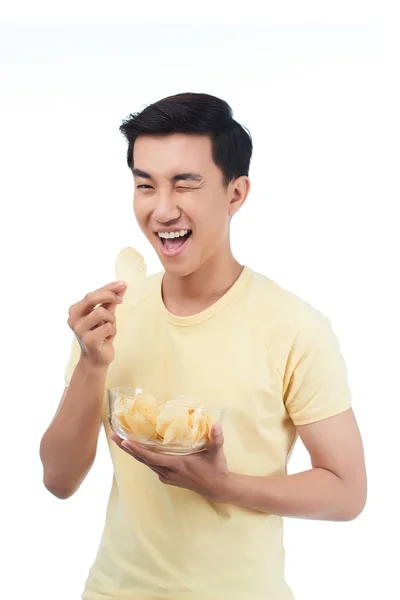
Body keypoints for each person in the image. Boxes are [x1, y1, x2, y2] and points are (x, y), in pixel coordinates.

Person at [39, 92, 367, 600]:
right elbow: (58, 480)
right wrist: (90, 363)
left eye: (184, 184)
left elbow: (347, 491)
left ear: (236, 193)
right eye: (145, 185)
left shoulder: (294, 327)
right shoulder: (111, 317)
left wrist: (221, 484)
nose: (162, 209)